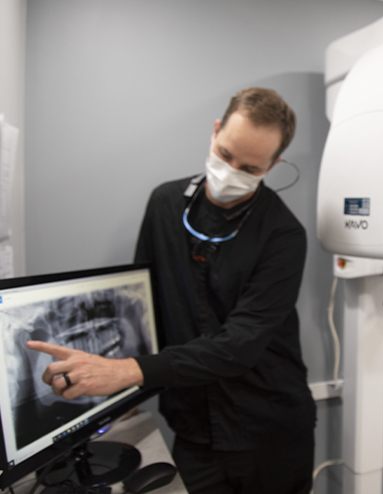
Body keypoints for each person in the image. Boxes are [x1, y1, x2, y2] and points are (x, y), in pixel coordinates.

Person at [27, 87, 317, 494]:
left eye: (249, 169)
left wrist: (126, 372)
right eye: (226, 154)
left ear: (273, 165)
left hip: (266, 430)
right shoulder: (165, 204)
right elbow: (141, 307)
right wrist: (111, 382)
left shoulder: (283, 235)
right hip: (193, 425)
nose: (230, 171)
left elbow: (239, 345)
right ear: (216, 130)